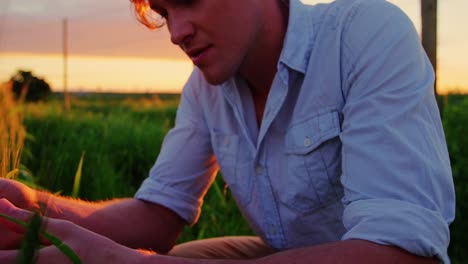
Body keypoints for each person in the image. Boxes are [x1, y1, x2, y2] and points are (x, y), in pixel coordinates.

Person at [0, 0, 455, 263]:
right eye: (163, 10)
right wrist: (37, 207)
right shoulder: (206, 89)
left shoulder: (364, 34)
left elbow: (400, 254)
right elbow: (157, 217)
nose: (176, 32)